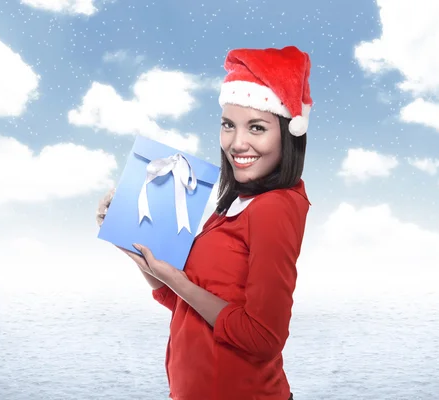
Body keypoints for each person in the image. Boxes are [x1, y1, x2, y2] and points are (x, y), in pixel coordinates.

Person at [96, 46, 312, 400]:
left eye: (256, 127)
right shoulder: (232, 205)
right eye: (228, 125)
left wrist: (178, 279)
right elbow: (182, 302)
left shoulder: (274, 207)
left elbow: (262, 340)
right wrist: (131, 241)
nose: (237, 142)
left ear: (288, 134)